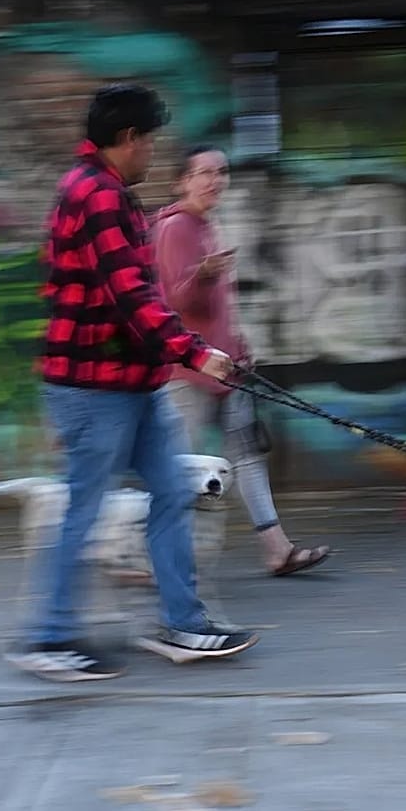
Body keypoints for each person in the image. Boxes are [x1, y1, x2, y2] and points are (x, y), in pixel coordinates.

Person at [9, 85, 258, 683]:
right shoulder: (95, 196)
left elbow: (135, 302)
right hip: (91, 387)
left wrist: (186, 357)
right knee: (83, 510)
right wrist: (199, 356)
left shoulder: (107, 192)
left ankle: (184, 624)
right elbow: (134, 300)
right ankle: (49, 638)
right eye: (150, 140)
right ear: (128, 139)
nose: (153, 152)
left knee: (172, 493)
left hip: (132, 383)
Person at [153, 145, 332, 577]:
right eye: (204, 173)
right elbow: (174, 300)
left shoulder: (208, 226)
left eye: (221, 172)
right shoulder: (175, 227)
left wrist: (240, 347)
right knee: (178, 469)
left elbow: (218, 309)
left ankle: (277, 550)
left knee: (249, 457)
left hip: (228, 369)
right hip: (188, 371)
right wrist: (205, 274)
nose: (215, 180)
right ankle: (155, 558)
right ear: (183, 180)